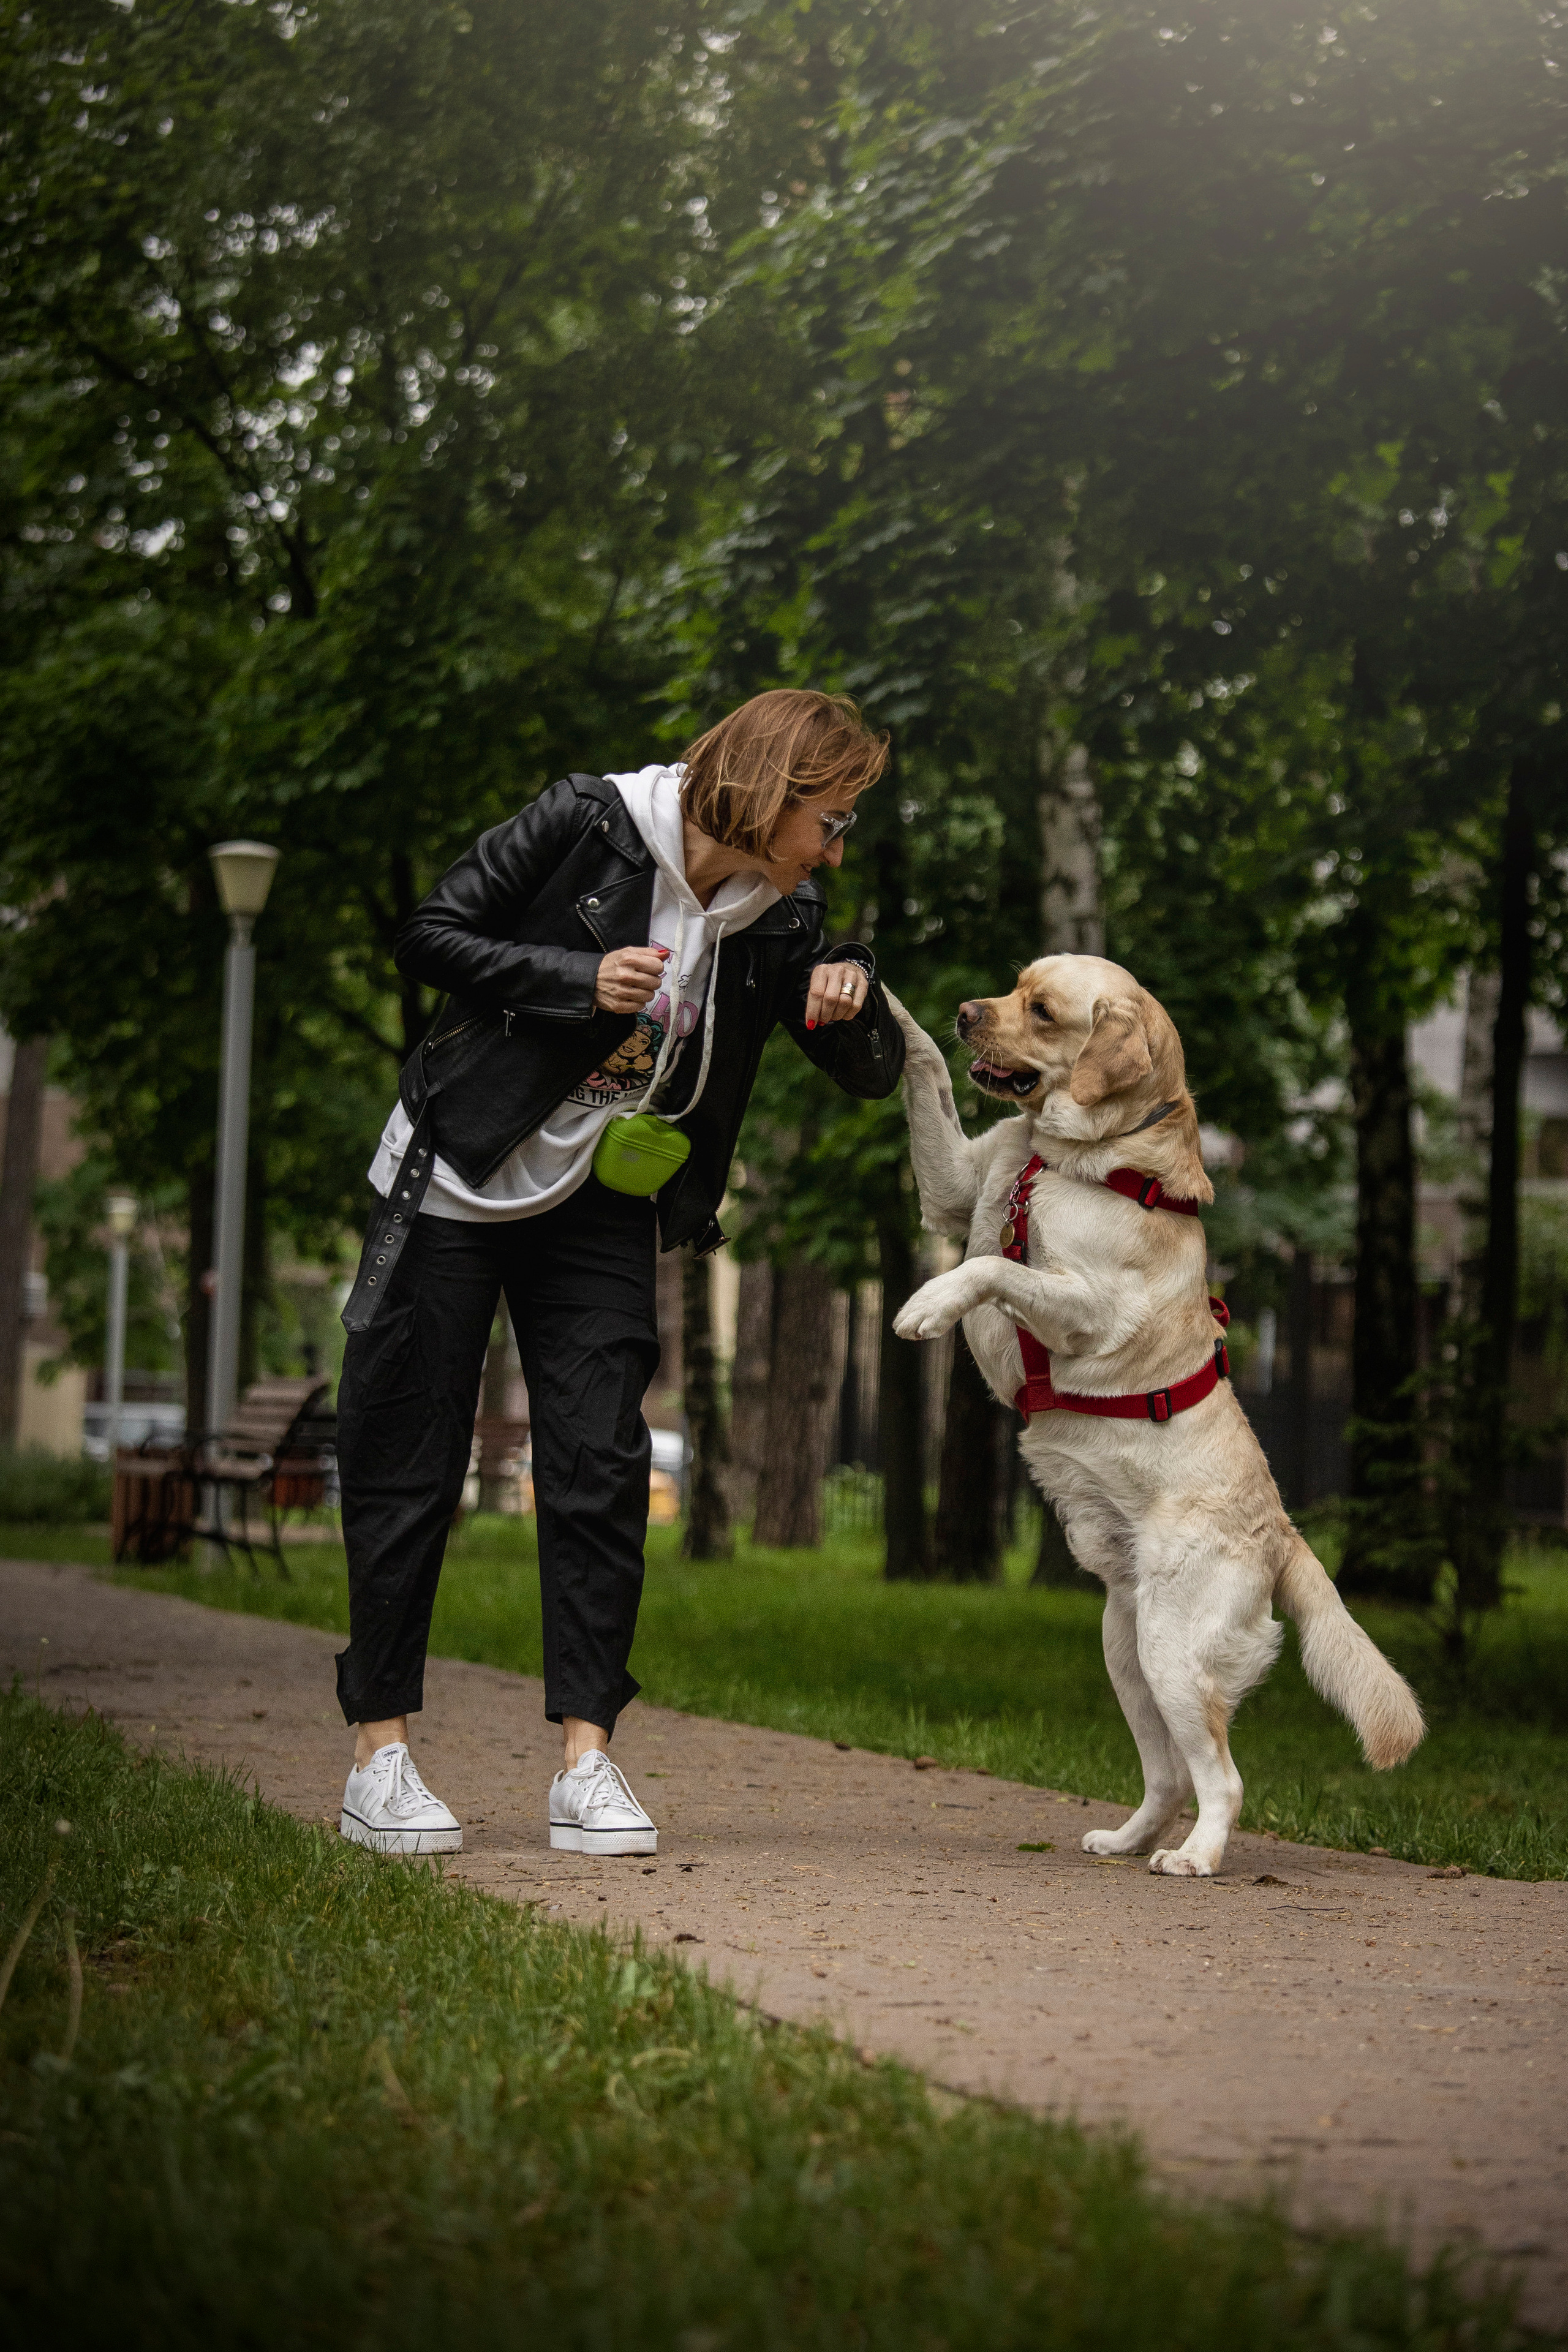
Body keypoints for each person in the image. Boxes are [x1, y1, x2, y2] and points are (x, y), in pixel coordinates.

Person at [333, 688, 904, 1858]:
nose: (839, 846)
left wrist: (847, 988)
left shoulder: (777, 913)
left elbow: (871, 1070)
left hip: (597, 1200)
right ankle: (378, 1756)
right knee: (412, 1458)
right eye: (832, 820)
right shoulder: (586, 823)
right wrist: (570, 979)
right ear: (770, 793)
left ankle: (586, 1764)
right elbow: (428, 933)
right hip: (455, 1174)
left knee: (599, 1459)